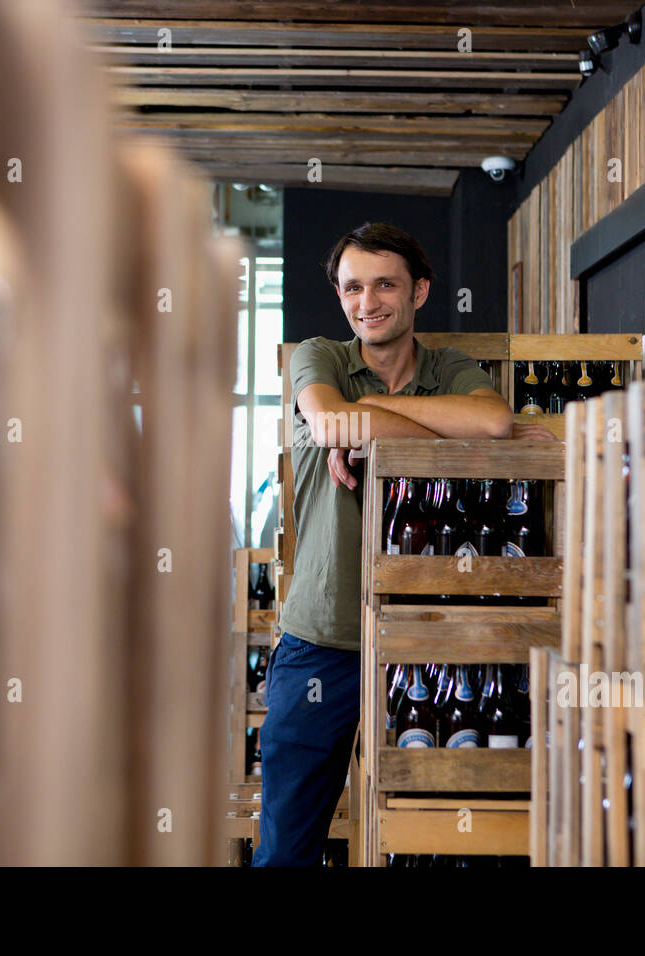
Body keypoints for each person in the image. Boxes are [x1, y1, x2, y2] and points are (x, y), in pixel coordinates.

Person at [252, 222, 554, 866]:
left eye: (385, 284)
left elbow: (495, 421)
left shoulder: (449, 365)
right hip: (323, 640)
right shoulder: (320, 358)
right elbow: (332, 417)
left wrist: (372, 430)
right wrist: (433, 433)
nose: (368, 302)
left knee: (432, 835)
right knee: (286, 844)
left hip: (436, 639)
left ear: (419, 290)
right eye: (353, 287)